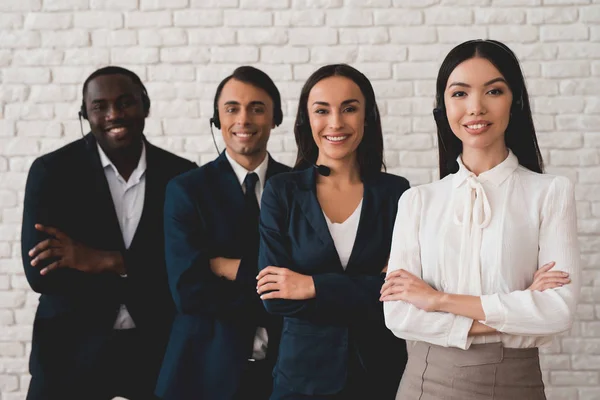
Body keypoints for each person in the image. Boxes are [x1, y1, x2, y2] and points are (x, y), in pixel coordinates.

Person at [381, 39, 580, 400]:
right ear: (443, 106)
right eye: (460, 93)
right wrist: (518, 307)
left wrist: (438, 300)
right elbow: (399, 315)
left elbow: (557, 312)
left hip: (516, 384)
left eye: (493, 90)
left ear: (514, 101)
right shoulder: (417, 201)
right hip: (424, 383)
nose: (476, 107)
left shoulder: (550, 192)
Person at [21, 66, 196, 400]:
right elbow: (41, 275)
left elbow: (188, 272)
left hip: (157, 351)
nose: (114, 114)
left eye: (125, 102)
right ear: (85, 115)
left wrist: (103, 260)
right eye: (100, 106)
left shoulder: (182, 177)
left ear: (145, 105)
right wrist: (146, 267)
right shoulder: (52, 173)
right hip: (70, 352)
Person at [256, 64, 410, 400]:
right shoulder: (282, 191)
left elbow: (400, 294)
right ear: (306, 120)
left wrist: (309, 285)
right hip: (301, 378)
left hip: (380, 374)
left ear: (366, 117)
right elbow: (274, 299)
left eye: (349, 109)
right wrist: (369, 287)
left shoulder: (397, 193)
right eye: (322, 110)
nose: (336, 123)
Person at [155, 66, 291, 400]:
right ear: (217, 119)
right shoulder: (186, 190)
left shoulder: (297, 187)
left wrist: (226, 267)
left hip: (285, 372)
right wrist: (276, 288)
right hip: (203, 373)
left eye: (257, 108)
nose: (243, 119)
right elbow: (189, 291)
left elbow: (311, 277)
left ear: (276, 118)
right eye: (232, 109)